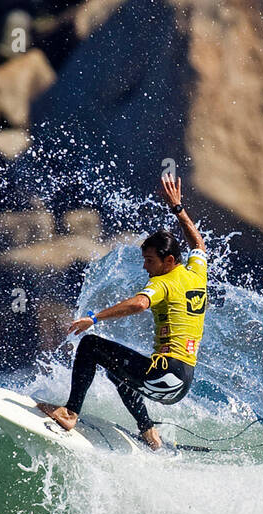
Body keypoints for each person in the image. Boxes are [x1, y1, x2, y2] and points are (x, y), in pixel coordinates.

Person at [38, 172, 207, 450]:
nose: (145, 267)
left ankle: (69, 414)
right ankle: (149, 432)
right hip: (179, 383)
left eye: (150, 261)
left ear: (168, 261)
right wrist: (178, 209)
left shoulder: (164, 282)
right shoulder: (196, 273)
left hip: (163, 374)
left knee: (91, 345)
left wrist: (94, 318)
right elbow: (198, 245)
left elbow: (140, 304)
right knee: (117, 370)